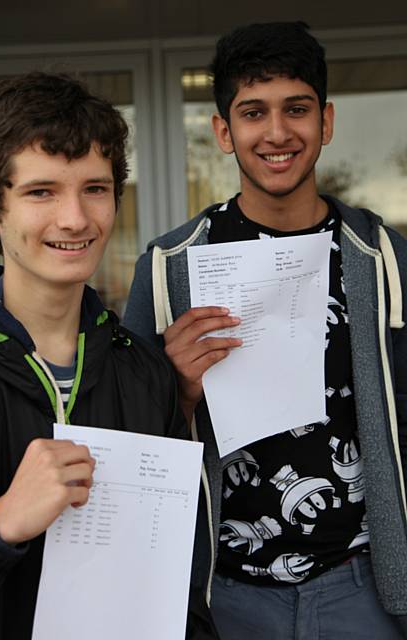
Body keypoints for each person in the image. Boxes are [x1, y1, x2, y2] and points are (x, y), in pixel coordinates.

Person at [124, 21, 407, 639]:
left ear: (326, 122)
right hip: (222, 589)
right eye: (254, 112)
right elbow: (128, 436)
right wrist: (175, 390)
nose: (277, 133)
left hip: (362, 584)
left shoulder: (384, 257)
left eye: (296, 109)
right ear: (223, 131)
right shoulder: (169, 269)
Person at [0, 71, 218, 640]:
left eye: (95, 188)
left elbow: (175, 576)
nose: (76, 219)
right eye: (42, 192)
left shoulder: (143, 369)